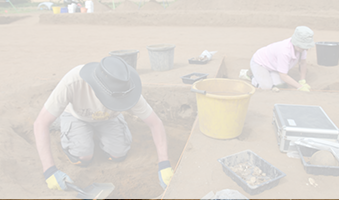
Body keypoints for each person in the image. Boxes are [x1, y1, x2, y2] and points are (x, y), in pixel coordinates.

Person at [33, 56, 173, 191]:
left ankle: (100, 134)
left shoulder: (126, 89)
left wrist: (164, 164)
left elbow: (155, 123)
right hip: (77, 116)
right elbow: (40, 123)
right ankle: (64, 125)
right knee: (83, 157)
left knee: (118, 154)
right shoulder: (73, 81)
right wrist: (50, 171)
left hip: (108, 118)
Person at [248, 26, 315, 91]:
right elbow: (283, 75)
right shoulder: (284, 51)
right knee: (267, 87)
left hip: (273, 66)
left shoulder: (302, 49)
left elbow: (302, 63)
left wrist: (302, 80)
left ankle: (266, 74)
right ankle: (251, 75)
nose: (306, 49)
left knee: (280, 85)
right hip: (260, 63)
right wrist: (299, 87)